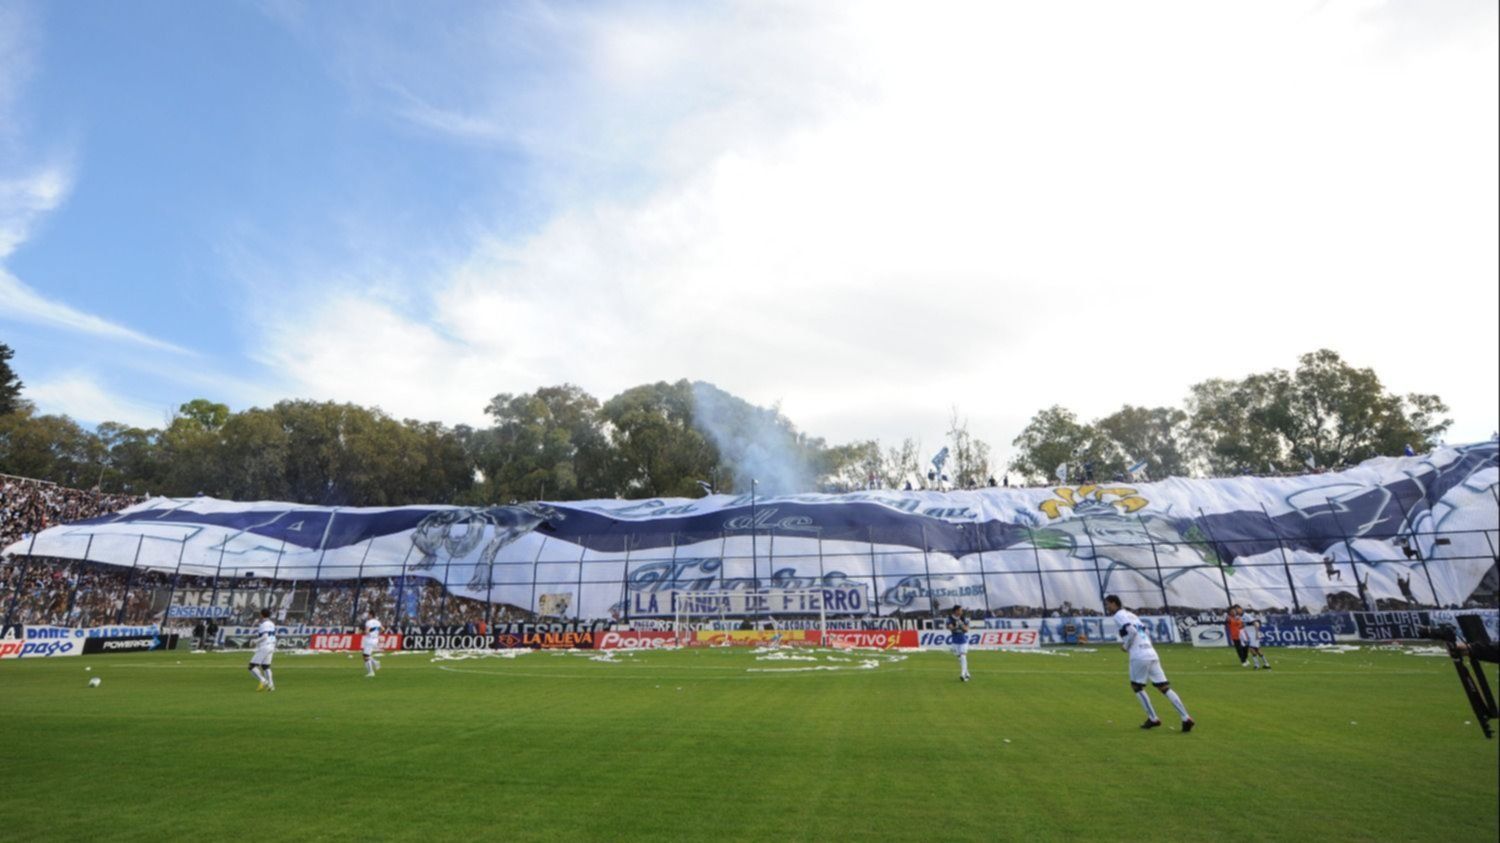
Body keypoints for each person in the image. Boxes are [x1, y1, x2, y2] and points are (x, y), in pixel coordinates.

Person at [1104, 595, 1194, 732]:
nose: (1107, 607)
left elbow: (1132, 631)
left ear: (1113, 603)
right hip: (1151, 652)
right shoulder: (1132, 615)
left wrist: (1126, 646)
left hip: (1139, 655)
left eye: (1108, 604)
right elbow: (1145, 631)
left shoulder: (1119, 615)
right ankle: (1185, 717)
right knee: (1164, 687)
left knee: (1137, 686)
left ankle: (1153, 718)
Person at [249, 609, 276, 692]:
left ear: (261, 615)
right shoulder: (271, 623)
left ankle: (263, 681)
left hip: (265, 646)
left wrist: (255, 641)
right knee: (266, 666)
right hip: (272, 645)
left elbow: (265, 636)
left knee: (252, 666)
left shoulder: (264, 624)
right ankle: (271, 686)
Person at [946, 605, 971, 682]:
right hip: (955, 641)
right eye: (960, 610)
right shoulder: (949, 618)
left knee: (963, 656)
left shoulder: (964, 618)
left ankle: (962, 674)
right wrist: (956, 626)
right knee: (960, 658)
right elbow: (951, 628)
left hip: (963, 641)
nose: (962, 611)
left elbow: (966, 630)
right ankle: (967, 673)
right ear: (956, 611)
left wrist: (961, 625)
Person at [362, 611, 383, 678]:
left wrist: (365, 633)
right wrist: (376, 634)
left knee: (366, 656)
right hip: (375, 639)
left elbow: (367, 631)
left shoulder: (368, 622)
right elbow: (383, 629)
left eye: (368, 615)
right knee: (365, 655)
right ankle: (376, 662)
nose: (367, 616)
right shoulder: (377, 622)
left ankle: (371, 672)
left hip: (369, 640)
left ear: (371, 615)